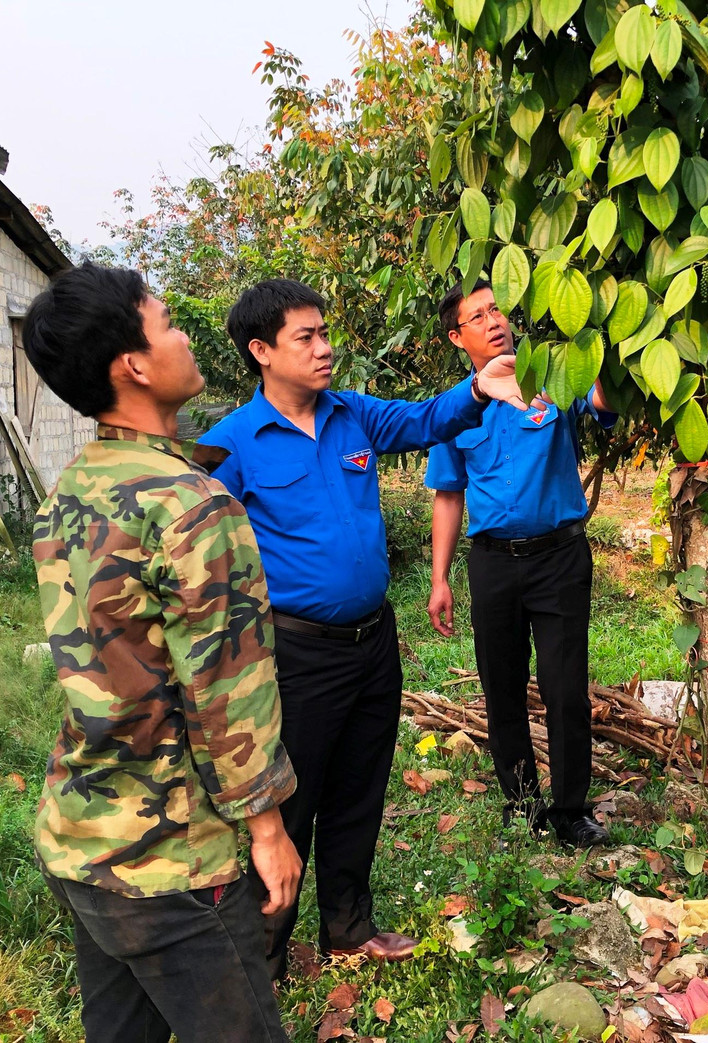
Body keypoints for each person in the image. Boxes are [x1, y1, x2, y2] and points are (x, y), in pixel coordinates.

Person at [199, 278, 528, 978]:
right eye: (306, 337)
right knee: (291, 802)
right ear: (261, 350)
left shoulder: (351, 415)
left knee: (358, 789)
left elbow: (422, 419)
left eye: (325, 332)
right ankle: (266, 952)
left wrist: (478, 388)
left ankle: (348, 925)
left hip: (372, 644)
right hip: (295, 654)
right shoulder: (229, 446)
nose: (325, 348)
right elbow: (196, 557)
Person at [23, 263, 299, 1043]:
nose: (186, 336)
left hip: (84, 834)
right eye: (170, 322)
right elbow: (228, 691)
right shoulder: (190, 507)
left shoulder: (75, 488)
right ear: (133, 365)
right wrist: (269, 830)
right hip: (173, 856)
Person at [425, 279, 616, 848]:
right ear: (459, 337)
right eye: (477, 317)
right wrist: (439, 579)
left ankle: (570, 812)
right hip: (492, 565)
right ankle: (523, 804)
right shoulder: (457, 410)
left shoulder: (552, 378)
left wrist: (589, 342)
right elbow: (448, 494)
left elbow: (604, 405)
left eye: (497, 308)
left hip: (559, 557)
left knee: (564, 688)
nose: (493, 321)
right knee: (501, 686)